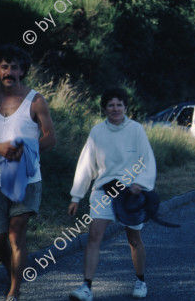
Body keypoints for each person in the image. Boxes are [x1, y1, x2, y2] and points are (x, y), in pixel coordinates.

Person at [0, 45, 56, 301]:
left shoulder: (36, 100)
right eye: (4, 66)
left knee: (16, 232)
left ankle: (14, 292)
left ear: (23, 71)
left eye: (15, 67)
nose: (10, 72)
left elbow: (50, 138)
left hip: (27, 180)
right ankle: (13, 272)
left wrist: (26, 150)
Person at [67, 88, 156, 301]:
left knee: (134, 239)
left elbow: (147, 160)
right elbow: (86, 165)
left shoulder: (136, 130)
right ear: (105, 108)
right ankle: (86, 287)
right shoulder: (97, 132)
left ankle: (140, 281)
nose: (115, 108)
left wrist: (140, 184)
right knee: (94, 236)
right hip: (103, 192)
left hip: (131, 194)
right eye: (111, 105)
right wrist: (76, 196)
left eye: (119, 104)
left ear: (126, 107)